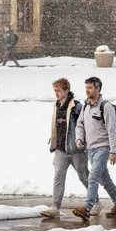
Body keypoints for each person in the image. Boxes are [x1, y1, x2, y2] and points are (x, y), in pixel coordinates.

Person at [72, 76, 116, 220]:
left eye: (90, 88)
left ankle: (87, 208)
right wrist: (79, 138)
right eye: (86, 87)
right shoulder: (86, 106)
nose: (87, 90)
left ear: (98, 88)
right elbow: (79, 124)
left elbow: (111, 130)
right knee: (105, 180)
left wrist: (113, 151)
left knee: (93, 177)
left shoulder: (106, 107)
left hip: (103, 148)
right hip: (90, 149)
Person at [41, 78, 90, 219]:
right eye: (55, 91)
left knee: (84, 176)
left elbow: (85, 125)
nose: (56, 93)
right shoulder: (56, 105)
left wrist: (82, 141)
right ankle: (55, 207)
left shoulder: (77, 106)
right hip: (60, 149)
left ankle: (96, 201)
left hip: (76, 150)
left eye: (58, 91)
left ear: (66, 91)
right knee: (58, 177)